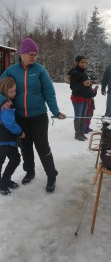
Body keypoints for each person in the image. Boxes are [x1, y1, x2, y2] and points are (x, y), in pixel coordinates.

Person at [0, 38, 66, 193]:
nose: (34, 57)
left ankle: (51, 175)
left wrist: (55, 111)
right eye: (31, 54)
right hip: (21, 117)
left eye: (36, 54)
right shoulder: (11, 70)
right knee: (26, 147)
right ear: (22, 53)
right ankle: (30, 171)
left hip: (39, 116)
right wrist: (3, 101)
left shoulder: (40, 70)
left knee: (42, 147)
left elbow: (49, 92)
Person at [0, 77, 25, 195]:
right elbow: (9, 122)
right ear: (4, 91)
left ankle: (5, 179)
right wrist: (20, 132)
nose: (13, 93)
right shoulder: (6, 105)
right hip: (2, 140)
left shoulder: (7, 102)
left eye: (14, 91)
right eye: (10, 91)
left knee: (15, 159)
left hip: (9, 140)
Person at [68, 55, 92, 141]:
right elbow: (72, 87)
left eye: (85, 62)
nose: (84, 64)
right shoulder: (75, 73)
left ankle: (81, 133)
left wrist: (90, 87)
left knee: (83, 116)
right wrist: (83, 84)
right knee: (78, 116)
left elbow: (85, 85)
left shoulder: (83, 72)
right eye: (82, 62)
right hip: (77, 98)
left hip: (85, 97)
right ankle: (77, 134)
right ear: (77, 62)